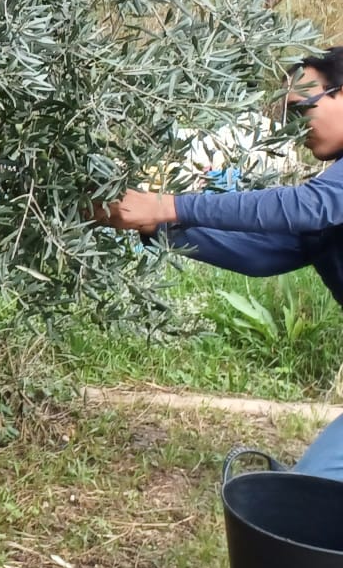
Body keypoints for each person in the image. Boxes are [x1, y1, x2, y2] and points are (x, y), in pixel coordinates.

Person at [94, 46, 343, 479]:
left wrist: (171, 205)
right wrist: (152, 225)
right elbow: (263, 255)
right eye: (284, 119)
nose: (292, 131)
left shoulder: (326, 198)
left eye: (300, 108)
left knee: (313, 504)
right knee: (311, 496)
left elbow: (309, 206)